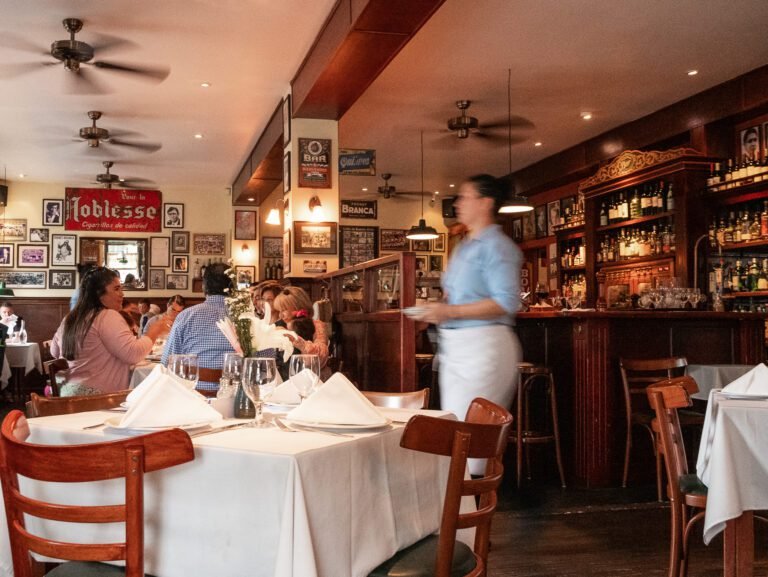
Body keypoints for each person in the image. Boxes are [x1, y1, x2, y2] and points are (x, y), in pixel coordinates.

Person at [411, 174, 521, 474]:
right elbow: (456, 299)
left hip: (484, 347)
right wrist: (433, 311)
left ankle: (470, 513)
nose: (457, 203)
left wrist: (450, 313)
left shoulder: (498, 246)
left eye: (465, 196)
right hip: (456, 349)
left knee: (470, 442)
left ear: (485, 203)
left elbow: (506, 302)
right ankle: (459, 512)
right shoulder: (463, 246)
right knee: (456, 434)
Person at [50, 267, 169, 396]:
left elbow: (54, 351)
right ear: (99, 293)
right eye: (116, 289)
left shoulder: (70, 318)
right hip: (96, 398)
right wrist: (153, 332)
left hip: (67, 394)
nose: (122, 294)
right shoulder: (107, 316)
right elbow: (133, 354)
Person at [162, 263, 235, 392]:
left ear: (203, 287)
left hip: (194, 398)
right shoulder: (247, 318)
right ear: (233, 287)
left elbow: (168, 361)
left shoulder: (186, 316)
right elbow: (263, 363)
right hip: (238, 401)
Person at [272, 286, 329, 368]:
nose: (281, 315)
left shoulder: (317, 325)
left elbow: (321, 357)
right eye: (279, 311)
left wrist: (295, 339)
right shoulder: (279, 325)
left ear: (298, 307)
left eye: (284, 310)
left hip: (309, 376)